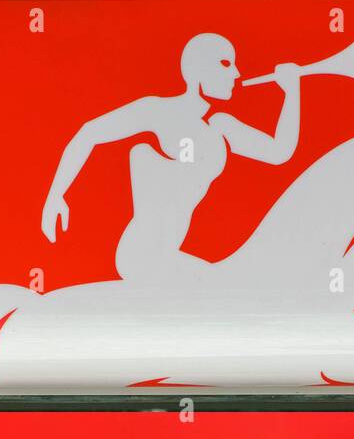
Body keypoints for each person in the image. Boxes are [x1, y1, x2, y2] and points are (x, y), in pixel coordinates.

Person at [40, 33, 301, 281]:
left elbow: (279, 152)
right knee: (224, 287)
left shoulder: (220, 125)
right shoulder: (159, 110)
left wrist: (292, 92)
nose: (236, 73)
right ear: (199, 70)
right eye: (225, 64)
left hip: (168, 254)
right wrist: (55, 195)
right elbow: (90, 132)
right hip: (141, 253)